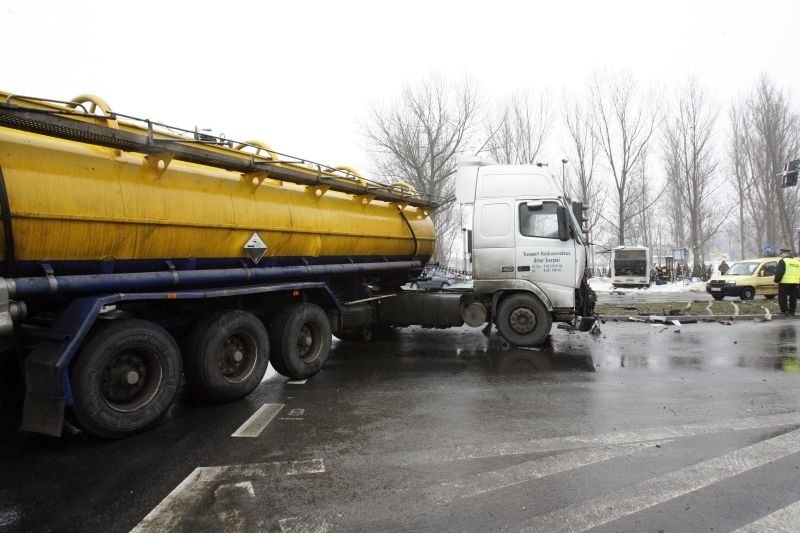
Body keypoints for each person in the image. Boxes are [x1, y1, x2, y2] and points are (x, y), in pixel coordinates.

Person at [773, 248, 800, 317]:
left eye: (781, 253)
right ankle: (792, 312)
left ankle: (784, 311)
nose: (781, 255)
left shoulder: (783, 261)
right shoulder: (797, 261)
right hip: (795, 282)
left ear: (785, 253)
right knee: (793, 297)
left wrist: (776, 281)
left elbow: (779, 273)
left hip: (785, 282)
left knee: (782, 297)